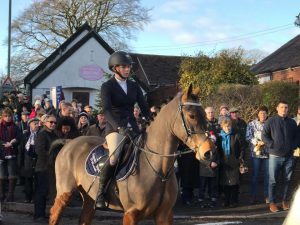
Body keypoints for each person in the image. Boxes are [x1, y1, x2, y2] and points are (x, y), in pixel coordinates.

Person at [96, 51, 151, 209]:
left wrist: (150, 119)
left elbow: (144, 107)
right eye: (124, 67)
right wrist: (119, 127)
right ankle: (100, 193)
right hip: (114, 128)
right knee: (114, 158)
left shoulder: (133, 85)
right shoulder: (107, 86)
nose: (127, 69)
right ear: (115, 68)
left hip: (133, 127)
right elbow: (106, 110)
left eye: (128, 67)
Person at [262, 101, 298, 213]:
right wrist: (272, 145)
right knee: (273, 180)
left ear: (288, 109)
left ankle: (284, 201)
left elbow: (297, 137)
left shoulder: (292, 122)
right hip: (274, 156)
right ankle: (272, 202)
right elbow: (264, 135)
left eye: (286, 107)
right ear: (277, 108)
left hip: (289, 157)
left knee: (287, 180)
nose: (284, 109)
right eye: (281, 107)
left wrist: (293, 146)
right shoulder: (271, 121)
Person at [34, 114, 58, 221]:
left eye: (55, 122)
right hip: (43, 168)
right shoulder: (42, 134)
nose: (53, 124)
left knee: (47, 192)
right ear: (45, 123)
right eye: (51, 122)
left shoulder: (54, 135)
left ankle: (43, 214)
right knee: (41, 192)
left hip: (52, 168)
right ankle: (38, 215)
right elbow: (39, 151)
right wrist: (53, 157)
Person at [217, 118, 244, 208]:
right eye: (225, 126)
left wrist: (240, 160)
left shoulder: (236, 135)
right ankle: (226, 201)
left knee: (234, 184)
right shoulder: (219, 137)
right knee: (225, 184)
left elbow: (242, 148)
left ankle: (234, 201)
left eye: (228, 126)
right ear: (222, 127)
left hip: (234, 162)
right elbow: (217, 150)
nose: (227, 128)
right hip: (224, 162)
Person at [246, 106, 269, 204]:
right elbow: (248, 136)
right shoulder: (252, 124)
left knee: (267, 176)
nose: (263, 115)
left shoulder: (270, 123)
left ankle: (267, 196)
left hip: (268, 154)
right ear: (258, 114)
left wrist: (265, 142)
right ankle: (253, 196)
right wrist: (257, 142)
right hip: (256, 154)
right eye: (261, 113)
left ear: (267, 114)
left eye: (264, 113)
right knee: (255, 175)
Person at [198, 107, 220, 208]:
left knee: (213, 183)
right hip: (204, 157)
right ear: (205, 114)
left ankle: (213, 199)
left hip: (215, 156)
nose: (211, 114)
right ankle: (201, 199)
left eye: (212, 112)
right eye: (209, 112)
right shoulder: (201, 125)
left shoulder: (218, 124)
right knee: (203, 182)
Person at [0, 108, 21, 202]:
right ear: (2, 117)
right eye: (6, 116)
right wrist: (4, 143)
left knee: (12, 175)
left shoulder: (15, 126)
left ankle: (10, 194)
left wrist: (13, 142)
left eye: (9, 116)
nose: (8, 118)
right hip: (1, 152)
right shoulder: (0, 126)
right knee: (2, 175)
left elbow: (19, 137)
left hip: (12, 152)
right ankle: (2, 194)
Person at [21, 117, 40, 203]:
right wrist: (21, 162)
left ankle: (35, 197)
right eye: (34, 124)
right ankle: (27, 197)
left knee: (37, 180)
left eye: (37, 123)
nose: (37, 125)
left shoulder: (40, 134)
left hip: (37, 159)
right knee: (28, 179)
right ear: (30, 125)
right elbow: (21, 149)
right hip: (27, 159)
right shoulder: (25, 135)